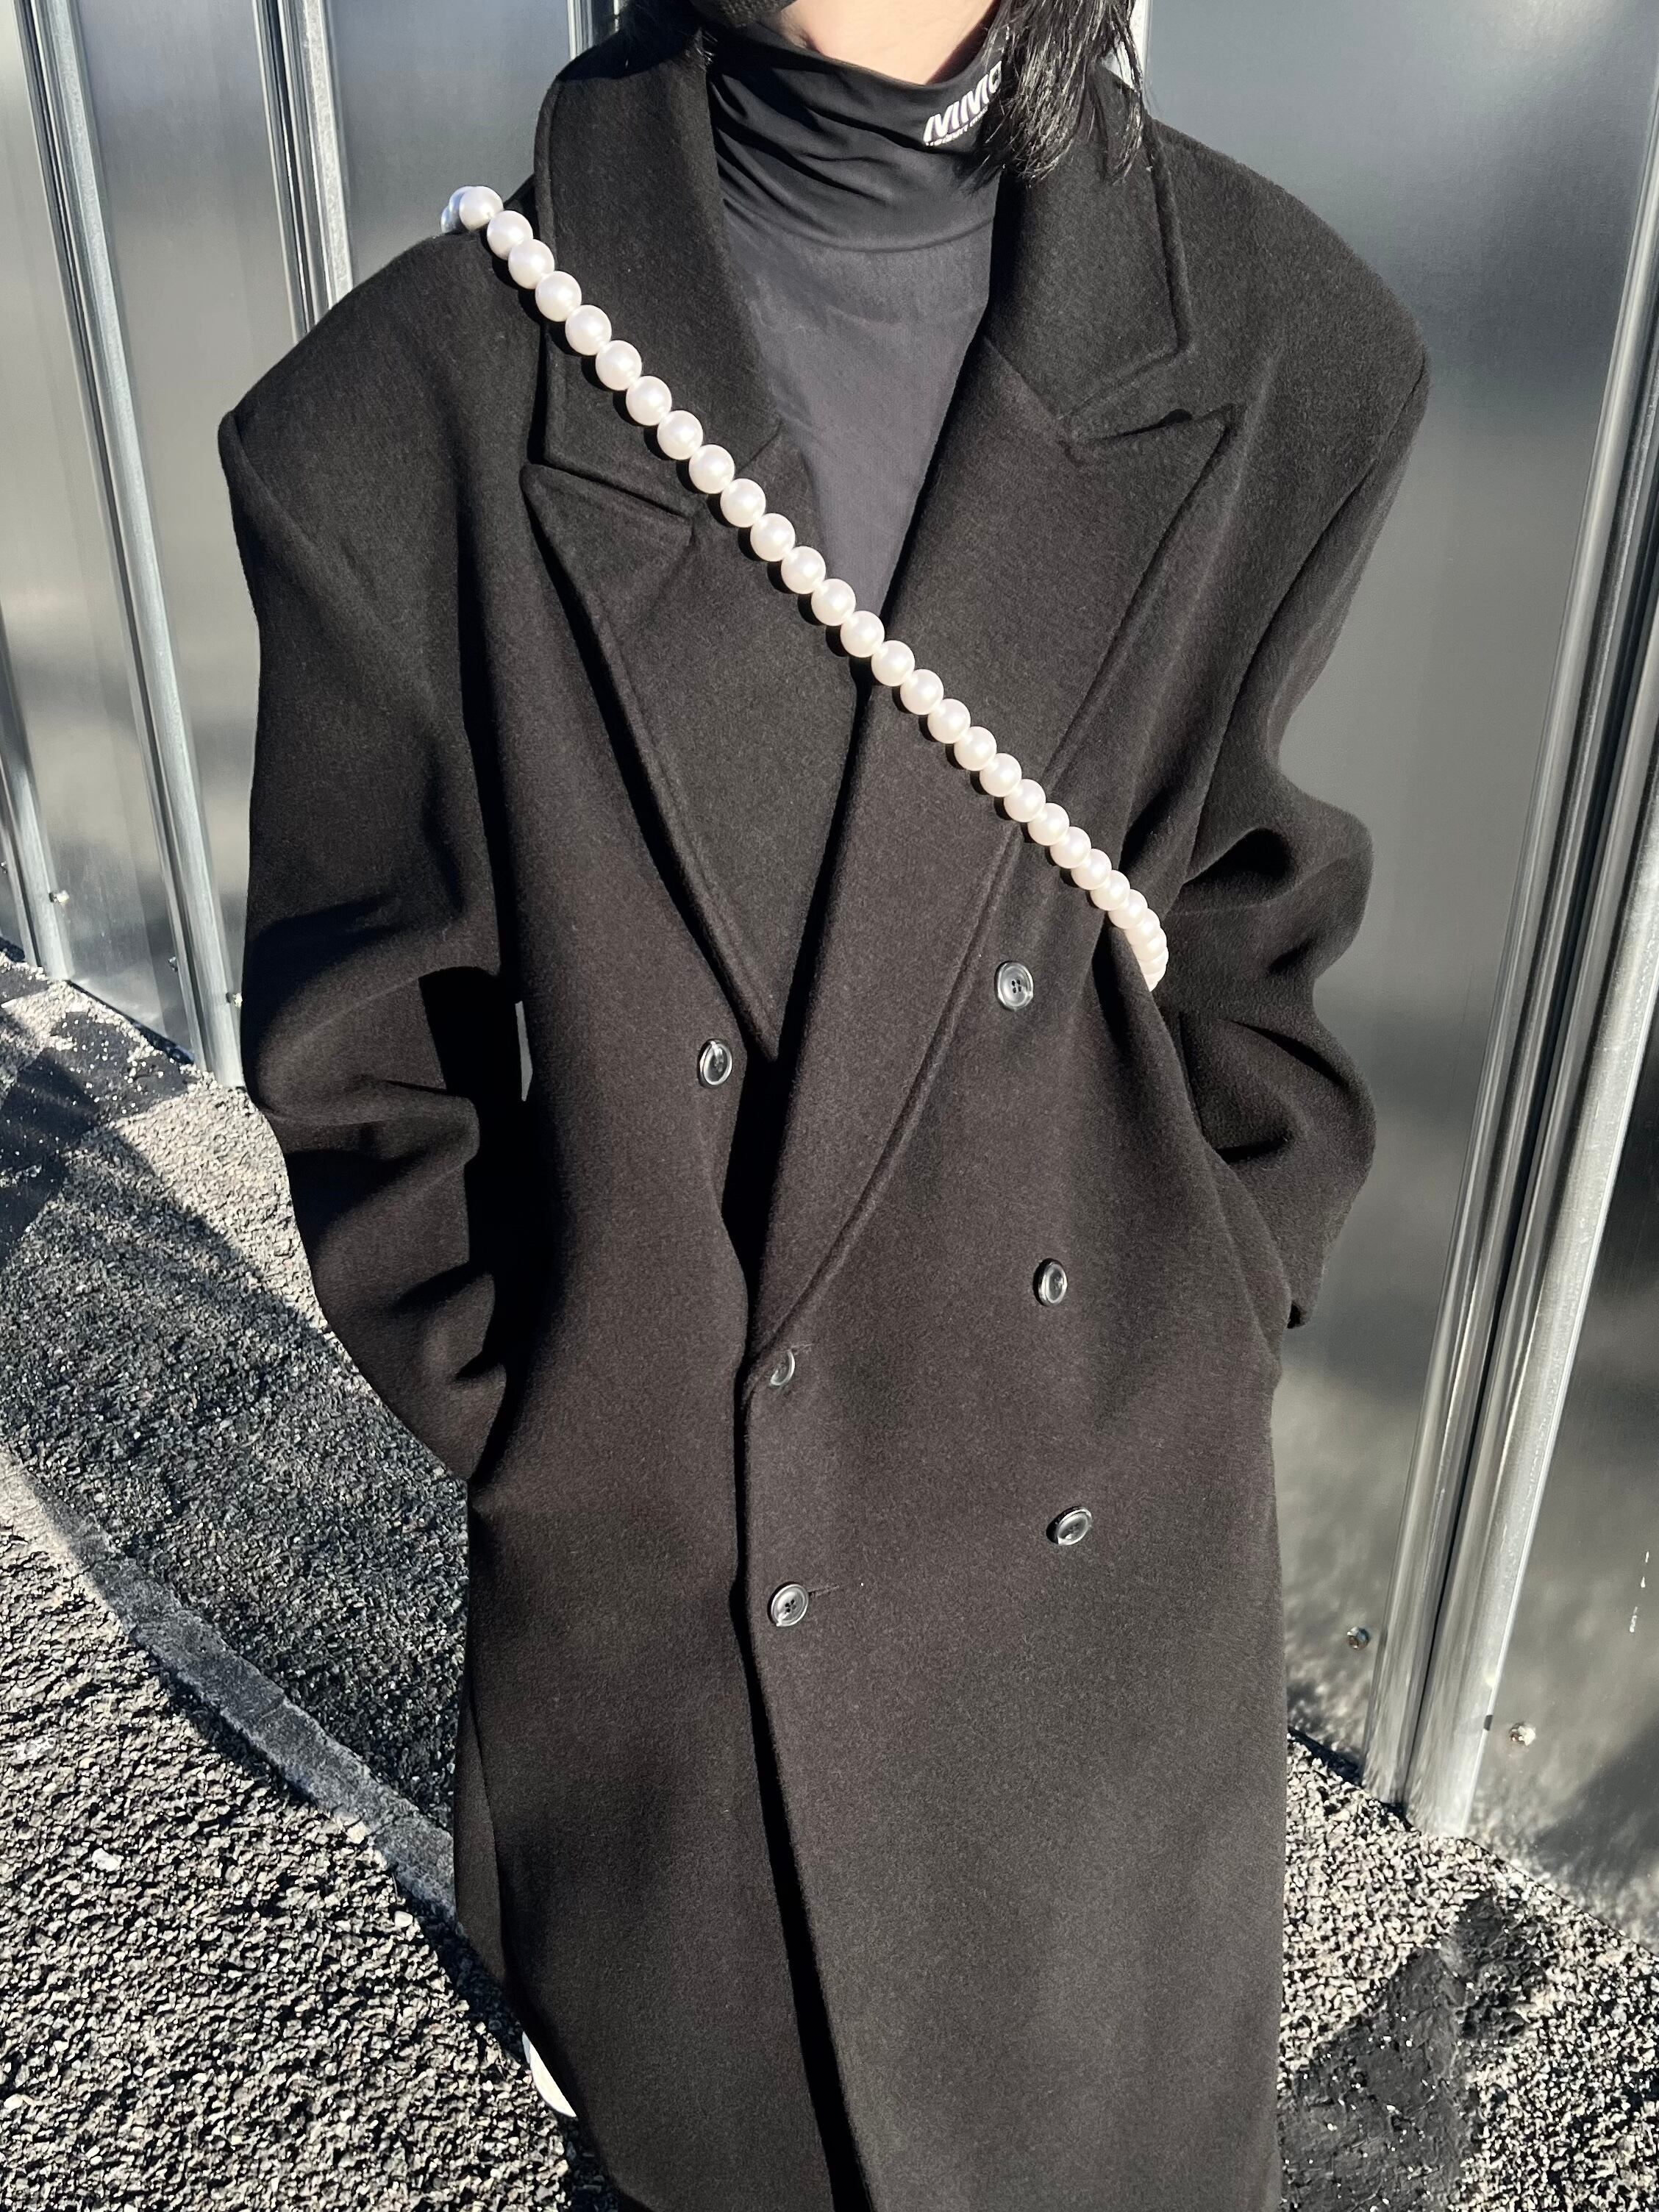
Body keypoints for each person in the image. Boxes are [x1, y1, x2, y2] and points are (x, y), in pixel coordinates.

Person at [220, 0, 1429, 2205]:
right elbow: (369, 1069)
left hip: (1105, 1610)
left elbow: (1260, 932)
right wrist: (597, 1445)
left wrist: (1203, 1310)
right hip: (694, 1668)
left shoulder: (1284, 348)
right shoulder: (404, 423)